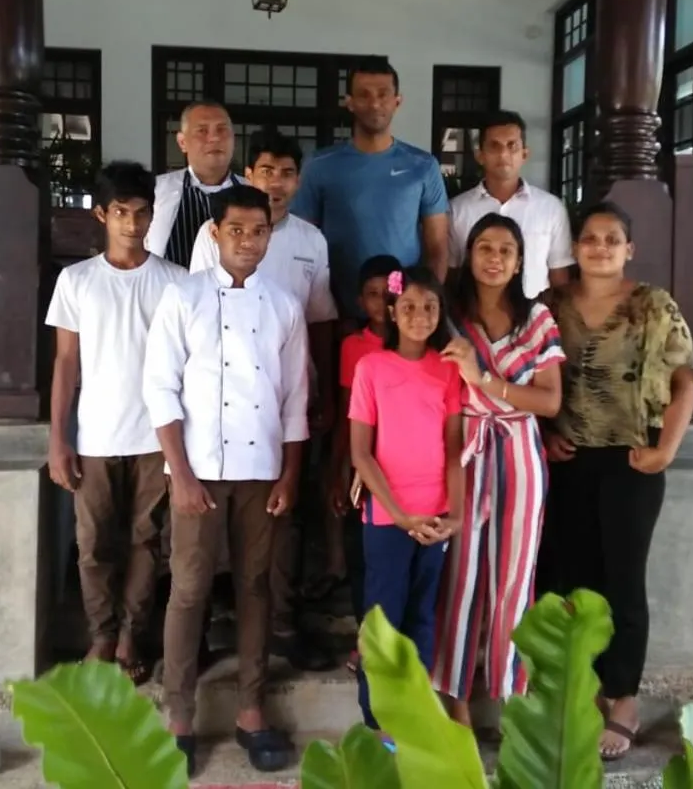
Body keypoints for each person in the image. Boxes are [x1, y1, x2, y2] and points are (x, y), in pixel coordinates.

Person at [144, 184, 310, 776]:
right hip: (198, 474)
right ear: (213, 234)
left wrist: (289, 475)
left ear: (270, 234)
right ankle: (179, 716)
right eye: (235, 230)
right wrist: (180, 475)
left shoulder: (285, 305)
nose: (247, 240)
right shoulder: (182, 296)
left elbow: (295, 400)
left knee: (256, 588)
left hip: (261, 473)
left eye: (258, 230)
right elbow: (159, 390)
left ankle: (250, 711)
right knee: (188, 591)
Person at [537, 201, 693, 762]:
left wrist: (665, 450)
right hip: (567, 460)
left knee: (622, 583)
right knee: (565, 582)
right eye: (589, 238)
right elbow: (528, 378)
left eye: (612, 239)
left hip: (632, 462)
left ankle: (623, 698)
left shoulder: (653, 306)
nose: (600, 247)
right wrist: (542, 433)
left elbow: (683, 385)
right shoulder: (550, 306)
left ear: (629, 248)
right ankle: (574, 692)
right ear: (574, 247)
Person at [189, 127, 337, 671]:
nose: (276, 182)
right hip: (220, 404)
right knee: (206, 526)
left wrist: (318, 387)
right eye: (266, 170)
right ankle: (203, 627)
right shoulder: (214, 236)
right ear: (249, 175)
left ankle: (281, 624)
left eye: (288, 172)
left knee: (283, 516)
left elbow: (320, 320)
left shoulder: (310, 241)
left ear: (299, 181)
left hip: (284, 400)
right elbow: (201, 316)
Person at [44, 162, 186, 684]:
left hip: (157, 437)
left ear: (153, 213)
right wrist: (59, 437)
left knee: (148, 541)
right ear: (102, 214)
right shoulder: (76, 281)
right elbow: (65, 363)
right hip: (97, 435)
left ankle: (132, 633)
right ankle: (101, 635)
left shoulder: (175, 281)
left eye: (141, 211)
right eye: (120, 212)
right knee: (93, 544)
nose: (132, 222)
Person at [432, 213, 564, 726]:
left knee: (514, 575)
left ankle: (512, 694)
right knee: (460, 575)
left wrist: (485, 381)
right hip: (463, 448)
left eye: (505, 250)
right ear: (470, 255)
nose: (494, 258)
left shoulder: (538, 321)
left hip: (520, 454)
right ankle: (457, 701)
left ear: (518, 261)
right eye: (484, 247)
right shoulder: (450, 317)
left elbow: (549, 402)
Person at [348, 265, 464, 739]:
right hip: (387, 518)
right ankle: (380, 721)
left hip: (435, 517)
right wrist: (397, 514)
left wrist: (454, 515)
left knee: (422, 616)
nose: (420, 315)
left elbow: (455, 449)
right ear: (393, 311)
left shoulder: (448, 370)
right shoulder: (371, 368)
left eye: (430, 307)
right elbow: (361, 452)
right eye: (410, 306)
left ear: (441, 313)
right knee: (383, 618)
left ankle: (414, 714)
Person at [291, 57, 450, 314]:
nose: (375, 103)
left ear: (397, 101)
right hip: (335, 311)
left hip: (402, 314)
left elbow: (438, 248)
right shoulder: (319, 165)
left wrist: (424, 306)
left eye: (383, 94)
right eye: (363, 95)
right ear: (349, 102)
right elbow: (300, 244)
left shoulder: (422, 165)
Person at [327, 253, 403, 674]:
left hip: (409, 468)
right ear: (360, 300)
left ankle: (398, 640)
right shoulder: (353, 347)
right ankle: (365, 636)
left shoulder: (419, 342)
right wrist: (339, 472)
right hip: (365, 467)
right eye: (372, 295)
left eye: (389, 294)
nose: (382, 304)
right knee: (364, 559)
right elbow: (344, 413)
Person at [447, 111, 573, 298]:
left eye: (512, 146)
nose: (503, 154)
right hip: (472, 320)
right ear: (480, 155)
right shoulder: (457, 210)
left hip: (535, 319)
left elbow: (559, 276)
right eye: (494, 146)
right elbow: (452, 275)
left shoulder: (551, 209)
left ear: (525, 154)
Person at [146, 100, 245, 269]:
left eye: (221, 130)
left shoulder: (252, 191)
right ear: (182, 142)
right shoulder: (156, 190)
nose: (214, 138)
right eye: (202, 131)